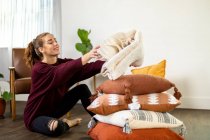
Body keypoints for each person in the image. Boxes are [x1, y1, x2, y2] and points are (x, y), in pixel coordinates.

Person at [23, 32, 104, 137]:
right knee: (56, 127)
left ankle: (99, 120)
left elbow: (86, 68)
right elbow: (61, 71)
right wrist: (88, 55)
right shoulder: (39, 69)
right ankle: (67, 123)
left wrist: (110, 63)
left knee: (82, 89)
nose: (56, 43)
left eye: (55, 40)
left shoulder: (63, 63)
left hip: (55, 109)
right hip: (35, 116)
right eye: (50, 42)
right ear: (41, 49)